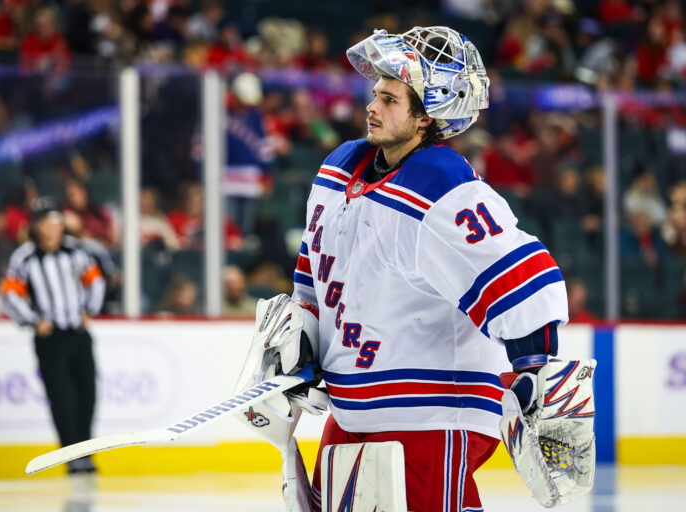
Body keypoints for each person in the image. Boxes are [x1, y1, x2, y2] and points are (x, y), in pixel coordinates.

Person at [236, 27, 570, 512]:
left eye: (390, 99)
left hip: (433, 414)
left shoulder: (442, 182)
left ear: (425, 116)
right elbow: (314, 281)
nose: (372, 106)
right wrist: (298, 347)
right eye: (375, 94)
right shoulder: (338, 168)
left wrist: (534, 367)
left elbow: (515, 274)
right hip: (352, 410)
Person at [0, 197, 105, 474]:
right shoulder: (25, 256)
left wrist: (89, 309)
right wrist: (33, 321)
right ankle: (72, 455)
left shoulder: (75, 251)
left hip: (78, 333)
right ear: (36, 226)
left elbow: (95, 280)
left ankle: (86, 451)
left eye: (57, 220)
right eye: (47, 221)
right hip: (51, 339)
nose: (53, 226)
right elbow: (10, 294)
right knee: (62, 398)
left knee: (87, 394)